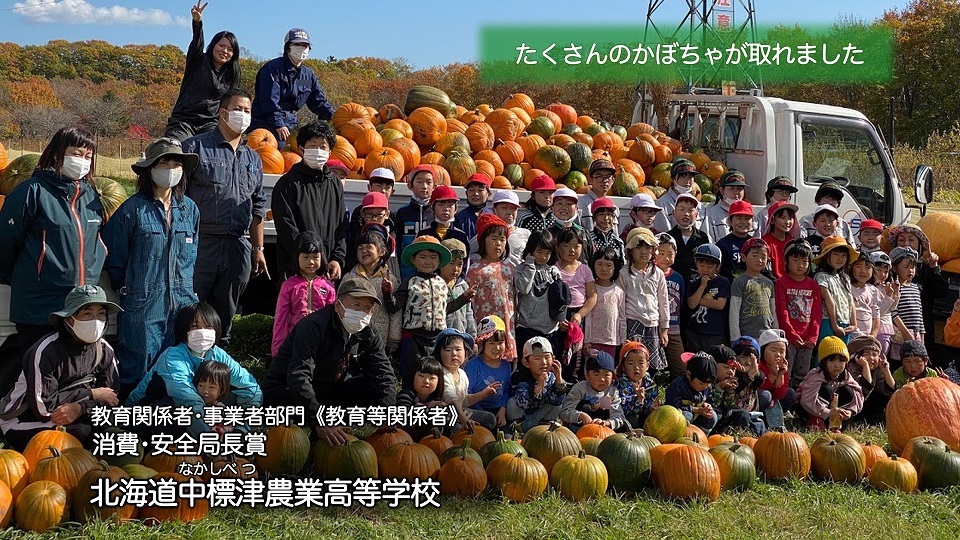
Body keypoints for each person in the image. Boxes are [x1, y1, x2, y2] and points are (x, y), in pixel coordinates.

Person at [103, 137, 200, 399]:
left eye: (176, 164)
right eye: (164, 162)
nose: (171, 169)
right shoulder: (132, 210)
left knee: (177, 370)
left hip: (181, 304)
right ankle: (133, 430)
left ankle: (167, 430)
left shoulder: (189, 210)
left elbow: (191, 258)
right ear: (149, 168)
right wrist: (131, 290)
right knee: (138, 369)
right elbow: (115, 259)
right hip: (142, 305)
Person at [0, 127, 106, 363]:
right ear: (58, 154)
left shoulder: (91, 196)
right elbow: (5, 243)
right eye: (76, 153)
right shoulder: (30, 192)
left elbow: (99, 242)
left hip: (81, 307)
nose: (83, 161)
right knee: (39, 376)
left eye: (88, 157)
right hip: (40, 308)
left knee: (73, 375)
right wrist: (23, 278)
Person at [263, 278, 398, 446]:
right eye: (356, 305)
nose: (362, 313)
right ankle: (316, 425)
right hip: (288, 390)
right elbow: (299, 375)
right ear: (337, 304)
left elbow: (383, 372)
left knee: (369, 389)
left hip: (329, 388)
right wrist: (318, 421)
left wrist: (389, 411)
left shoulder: (369, 333)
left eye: (367, 308)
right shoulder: (313, 326)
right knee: (288, 399)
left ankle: (336, 423)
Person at [182, 89, 266, 346]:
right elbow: (178, 197)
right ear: (223, 113)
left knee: (225, 311)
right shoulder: (195, 147)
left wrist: (258, 248)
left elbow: (258, 205)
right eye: (238, 109)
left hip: (237, 245)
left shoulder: (253, 158)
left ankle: (218, 368)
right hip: (200, 243)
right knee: (189, 308)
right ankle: (181, 363)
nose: (243, 115)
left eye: (248, 111)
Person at [0, 286, 120, 450]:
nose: (96, 320)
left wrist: (80, 408)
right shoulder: (45, 351)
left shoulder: (105, 350)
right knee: (82, 432)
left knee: (114, 430)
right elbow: (44, 410)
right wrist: (91, 394)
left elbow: (111, 398)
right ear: (69, 320)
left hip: (76, 411)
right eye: (87, 314)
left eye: (101, 314)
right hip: (24, 420)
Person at [127, 303, 263, 438]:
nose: (202, 331)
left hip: (196, 413)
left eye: (208, 326)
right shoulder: (172, 357)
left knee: (230, 395)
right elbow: (188, 401)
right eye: (195, 326)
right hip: (148, 413)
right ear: (183, 330)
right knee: (172, 410)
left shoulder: (218, 355)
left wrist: (240, 429)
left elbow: (250, 388)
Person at [271, 121, 346, 280]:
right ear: (301, 149)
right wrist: (309, 259)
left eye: (322, 146)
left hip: (327, 273)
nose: (318, 151)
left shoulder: (335, 184)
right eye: (312, 145)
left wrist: (337, 258)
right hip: (296, 271)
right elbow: (286, 227)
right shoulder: (287, 184)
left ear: (330, 151)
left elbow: (341, 226)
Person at [164, 2, 241, 141]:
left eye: (230, 49)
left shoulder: (231, 74)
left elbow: (233, 102)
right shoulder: (198, 60)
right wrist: (197, 23)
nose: (225, 51)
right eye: (221, 45)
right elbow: (197, 43)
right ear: (213, 46)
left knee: (216, 149)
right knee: (175, 151)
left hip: (211, 124)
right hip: (184, 121)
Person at [250, 28, 334, 142]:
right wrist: (278, 124)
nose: (302, 48)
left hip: (291, 123)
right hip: (266, 123)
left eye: (305, 45)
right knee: (278, 150)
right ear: (288, 47)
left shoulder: (307, 76)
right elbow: (269, 101)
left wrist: (335, 117)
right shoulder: (273, 69)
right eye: (297, 44)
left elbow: (318, 101)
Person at [391, 236, 452, 376]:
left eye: (433, 257)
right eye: (423, 257)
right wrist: (387, 293)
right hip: (413, 336)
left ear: (439, 261)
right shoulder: (409, 282)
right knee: (413, 373)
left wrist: (464, 298)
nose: (428, 261)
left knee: (434, 374)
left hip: (437, 337)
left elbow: (446, 309)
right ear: (413, 260)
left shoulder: (442, 284)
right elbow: (394, 306)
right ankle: (408, 396)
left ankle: (433, 398)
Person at [271, 231, 336, 357]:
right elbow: (281, 319)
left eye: (315, 257)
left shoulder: (328, 287)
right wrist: (278, 350)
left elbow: (334, 320)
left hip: (321, 343)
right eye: (305, 257)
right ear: (296, 257)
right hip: (295, 341)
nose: (311, 262)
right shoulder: (288, 286)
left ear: (322, 258)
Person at [342, 223, 401, 354]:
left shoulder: (391, 280)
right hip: (353, 336)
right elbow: (340, 306)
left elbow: (395, 312)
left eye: (369, 247)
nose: (364, 251)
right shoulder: (349, 278)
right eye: (360, 248)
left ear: (382, 251)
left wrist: (394, 339)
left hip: (380, 337)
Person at [468, 214, 518, 362]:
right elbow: (470, 304)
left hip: (507, 326)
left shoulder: (509, 268)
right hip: (484, 328)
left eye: (502, 240)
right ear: (483, 241)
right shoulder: (475, 270)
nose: (498, 244)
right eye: (494, 239)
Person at [618, 227, 669, 373]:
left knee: (650, 365)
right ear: (630, 250)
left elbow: (663, 301)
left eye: (648, 247)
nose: (644, 251)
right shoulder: (624, 273)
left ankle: (649, 392)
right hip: (632, 320)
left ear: (654, 251)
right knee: (632, 362)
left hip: (653, 323)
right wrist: (622, 331)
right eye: (639, 247)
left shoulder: (658, 274)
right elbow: (620, 304)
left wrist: (664, 329)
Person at [775, 239, 822, 386]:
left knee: (803, 374)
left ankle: (799, 402)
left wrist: (813, 336)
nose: (800, 265)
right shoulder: (782, 282)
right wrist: (791, 335)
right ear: (787, 261)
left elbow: (817, 312)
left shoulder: (812, 284)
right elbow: (781, 310)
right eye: (795, 260)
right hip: (789, 338)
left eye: (804, 261)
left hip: (808, 339)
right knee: (785, 371)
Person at [554, 226, 598, 379]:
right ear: (558, 247)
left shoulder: (585, 269)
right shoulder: (554, 269)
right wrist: (558, 319)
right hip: (559, 316)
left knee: (578, 353)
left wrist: (580, 315)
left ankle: (575, 382)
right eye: (566, 245)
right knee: (559, 350)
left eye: (576, 246)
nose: (572, 250)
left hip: (579, 315)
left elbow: (592, 296)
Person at [515, 230, 566, 358]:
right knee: (529, 363)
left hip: (550, 329)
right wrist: (530, 265)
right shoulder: (520, 269)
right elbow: (524, 289)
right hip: (527, 327)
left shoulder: (553, 270)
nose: (543, 257)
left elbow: (560, 298)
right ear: (530, 251)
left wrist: (561, 319)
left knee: (547, 364)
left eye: (547, 253)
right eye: (539, 252)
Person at [435, 328, 497, 431]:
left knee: (490, 419)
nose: (454, 353)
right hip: (447, 416)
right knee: (457, 429)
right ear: (439, 354)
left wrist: (483, 394)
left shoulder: (462, 374)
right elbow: (451, 399)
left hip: (463, 412)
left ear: (466, 353)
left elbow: (465, 400)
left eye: (458, 349)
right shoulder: (442, 373)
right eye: (448, 350)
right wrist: (463, 419)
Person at [797, 336, 863, 431]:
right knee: (826, 389)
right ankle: (814, 420)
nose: (837, 365)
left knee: (848, 390)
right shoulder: (816, 375)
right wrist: (827, 412)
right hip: (809, 409)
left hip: (831, 410)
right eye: (832, 360)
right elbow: (806, 401)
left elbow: (859, 393)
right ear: (824, 362)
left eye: (841, 360)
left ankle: (836, 422)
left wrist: (850, 411)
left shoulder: (845, 375)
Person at [507, 337, 570, 432]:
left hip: (540, 420)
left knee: (558, 403)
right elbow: (522, 403)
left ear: (553, 359)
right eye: (537, 359)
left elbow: (556, 401)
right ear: (526, 362)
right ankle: (516, 431)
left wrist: (559, 380)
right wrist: (539, 387)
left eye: (547, 358)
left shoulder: (551, 378)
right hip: (523, 420)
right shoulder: (519, 378)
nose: (543, 363)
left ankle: (545, 430)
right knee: (512, 402)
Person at [560, 350, 627, 432]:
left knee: (605, 405)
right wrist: (580, 415)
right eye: (596, 374)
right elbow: (564, 412)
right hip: (578, 431)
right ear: (587, 375)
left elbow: (619, 416)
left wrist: (608, 423)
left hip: (602, 431)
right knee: (586, 407)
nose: (602, 379)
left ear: (612, 376)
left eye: (606, 374)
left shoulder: (612, 392)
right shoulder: (580, 388)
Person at [465, 316, 512, 428]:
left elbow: (506, 391)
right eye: (491, 343)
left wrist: (502, 410)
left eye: (500, 342)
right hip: (476, 409)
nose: (496, 347)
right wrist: (485, 415)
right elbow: (467, 395)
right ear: (482, 344)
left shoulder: (506, 366)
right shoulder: (473, 366)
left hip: (498, 409)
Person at [728, 238, 776, 341]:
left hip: (767, 335)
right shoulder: (739, 281)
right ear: (744, 257)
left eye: (763, 257)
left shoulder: (769, 283)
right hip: (746, 335)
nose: (759, 260)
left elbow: (773, 311)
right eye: (754, 256)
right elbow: (734, 312)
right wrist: (736, 338)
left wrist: (775, 334)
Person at [685, 243, 730, 352]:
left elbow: (720, 304)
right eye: (701, 265)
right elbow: (691, 305)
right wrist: (702, 286)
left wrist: (698, 300)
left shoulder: (723, 282)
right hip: (694, 331)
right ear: (696, 263)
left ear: (718, 267)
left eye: (710, 266)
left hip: (715, 332)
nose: (705, 269)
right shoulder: (693, 282)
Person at [814, 235, 858, 345]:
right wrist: (834, 325)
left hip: (846, 323)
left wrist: (854, 324)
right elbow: (829, 301)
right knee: (826, 356)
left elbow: (850, 300)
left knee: (842, 356)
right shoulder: (821, 277)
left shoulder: (845, 278)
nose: (840, 259)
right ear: (826, 256)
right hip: (828, 322)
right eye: (836, 254)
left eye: (844, 255)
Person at [584, 248, 626, 360]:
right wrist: (587, 339)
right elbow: (588, 315)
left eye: (608, 265)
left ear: (615, 267)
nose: (603, 269)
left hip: (611, 340)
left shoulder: (618, 291)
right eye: (599, 264)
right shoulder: (591, 288)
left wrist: (622, 341)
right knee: (592, 369)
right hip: (593, 340)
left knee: (608, 369)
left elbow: (622, 318)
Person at [396, 165, 436, 280]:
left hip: (431, 274)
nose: (424, 186)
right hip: (406, 273)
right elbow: (398, 245)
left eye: (429, 182)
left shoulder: (436, 213)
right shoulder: (402, 212)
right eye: (419, 182)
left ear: (434, 186)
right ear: (410, 185)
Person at [655, 233, 685, 378]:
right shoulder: (651, 274)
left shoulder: (678, 277)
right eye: (661, 253)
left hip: (673, 326)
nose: (666, 258)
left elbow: (682, 300)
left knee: (680, 366)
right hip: (653, 325)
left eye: (670, 254)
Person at [666, 351, 718, 434]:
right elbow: (674, 407)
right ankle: (680, 436)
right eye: (701, 383)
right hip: (678, 420)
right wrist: (696, 410)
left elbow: (709, 399)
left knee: (713, 416)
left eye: (708, 384)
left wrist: (708, 405)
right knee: (686, 416)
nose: (705, 387)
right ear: (689, 375)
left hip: (698, 417)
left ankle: (702, 437)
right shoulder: (678, 386)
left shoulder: (707, 387)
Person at [667, 192, 710, 286]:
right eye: (681, 209)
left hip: (696, 286)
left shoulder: (702, 238)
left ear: (697, 215)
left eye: (690, 210)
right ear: (673, 213)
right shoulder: (667, 238)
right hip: (673, 286)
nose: (686, 214)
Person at [423, 185, 471, 264]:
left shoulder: (461, 236)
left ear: (456, 208)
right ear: (432, 208)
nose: (446, 209)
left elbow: (465, 264)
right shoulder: (424, 234)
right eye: (440, 205)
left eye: (450, 205)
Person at [547, 187, 595, 264]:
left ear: (576, 208)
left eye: (569, 204)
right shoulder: (547, 234)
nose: (564, 207)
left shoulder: (584, 233)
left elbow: (592, 259)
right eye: (559, 203)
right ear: (552, 207)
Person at [799, 181, 856, 246]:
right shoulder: (806, 221)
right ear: (818, 199)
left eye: (834, 199)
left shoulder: (843, 224)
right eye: (826, 198)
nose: (830, 202)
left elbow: (851, 247)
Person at [701, 170, 751, 243]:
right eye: (732, 188)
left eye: (739, 188)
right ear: (722, 191)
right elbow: (709, 243)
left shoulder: (752, 217)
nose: (736, 192)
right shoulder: (711, 215)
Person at [653, 159, 702, 233]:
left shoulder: (700, 207)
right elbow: (664, 235)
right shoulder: (662, 204)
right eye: (683, 176)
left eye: (690, 176)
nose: (687, 180)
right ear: (673, 179)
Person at [616, 341, 658, 429]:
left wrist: (651, 407)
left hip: (643, 416)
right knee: (632, 421)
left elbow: (651, 402)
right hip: (626, 417)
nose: (636, 367)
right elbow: (623, 408)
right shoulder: (622, 383)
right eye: (631, 363)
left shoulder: (650, 384)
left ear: (647, 366)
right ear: (623, 367)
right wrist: (638, 400)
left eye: (641, 363)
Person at [440, 239, 477, 336]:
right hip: (442, 339)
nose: (456, 269)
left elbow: (469, 314)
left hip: (461, 337)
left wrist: (473, 336)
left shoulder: (463, 285)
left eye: (459, 264)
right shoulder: (437, 285)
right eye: (451, 263)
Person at [756, 328, 797, 415]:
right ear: (763, 350)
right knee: (765, 395)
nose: (778, 355)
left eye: (782, 351)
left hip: (773, 400)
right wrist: (772, 376)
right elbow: (759, 388)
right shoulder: (758, 366)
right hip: (760, 399)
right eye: (773, 350)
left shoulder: (783, 368)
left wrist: (780, 376)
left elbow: (779, 395)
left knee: (790, 393)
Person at [760, 200, 802, 279]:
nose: (787, 222)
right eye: (783, 217)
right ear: (772, 220)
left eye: (790, 218)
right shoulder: (765, 242)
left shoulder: (793, 242)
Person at [716, 200, 755, 280]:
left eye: (747, 218)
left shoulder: (755, 244)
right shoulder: (723, 244)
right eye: (739, 218)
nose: (743, 222)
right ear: (730, 221)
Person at [579, 159, 620, 233]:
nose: (604, 180)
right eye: (599, 176)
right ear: (590, 180)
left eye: (608, 177)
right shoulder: (581, 204)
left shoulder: (614, 209)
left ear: (613, 180)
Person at [849, 252, 880, 339]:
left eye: (867, 267)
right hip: (852, 336)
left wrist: (873, 336)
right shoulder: (848, 287)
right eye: (858, 266)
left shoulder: (872, 290)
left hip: (868, 338)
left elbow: (876, 316)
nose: (863, 271)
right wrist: (859, 336)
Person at [588, 197, 626, 266]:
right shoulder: (588, 239)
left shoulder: (618, 242)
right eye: (601, 214)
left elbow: (622, 265)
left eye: (609, 214)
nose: (606, 218)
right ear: (594, 218)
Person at [454, 173, 492, 240]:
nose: (476, 194)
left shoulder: (493, 218)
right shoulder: (458, 218)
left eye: (480, 190)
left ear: (488, 194)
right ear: (466, 193)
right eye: (471, 190)